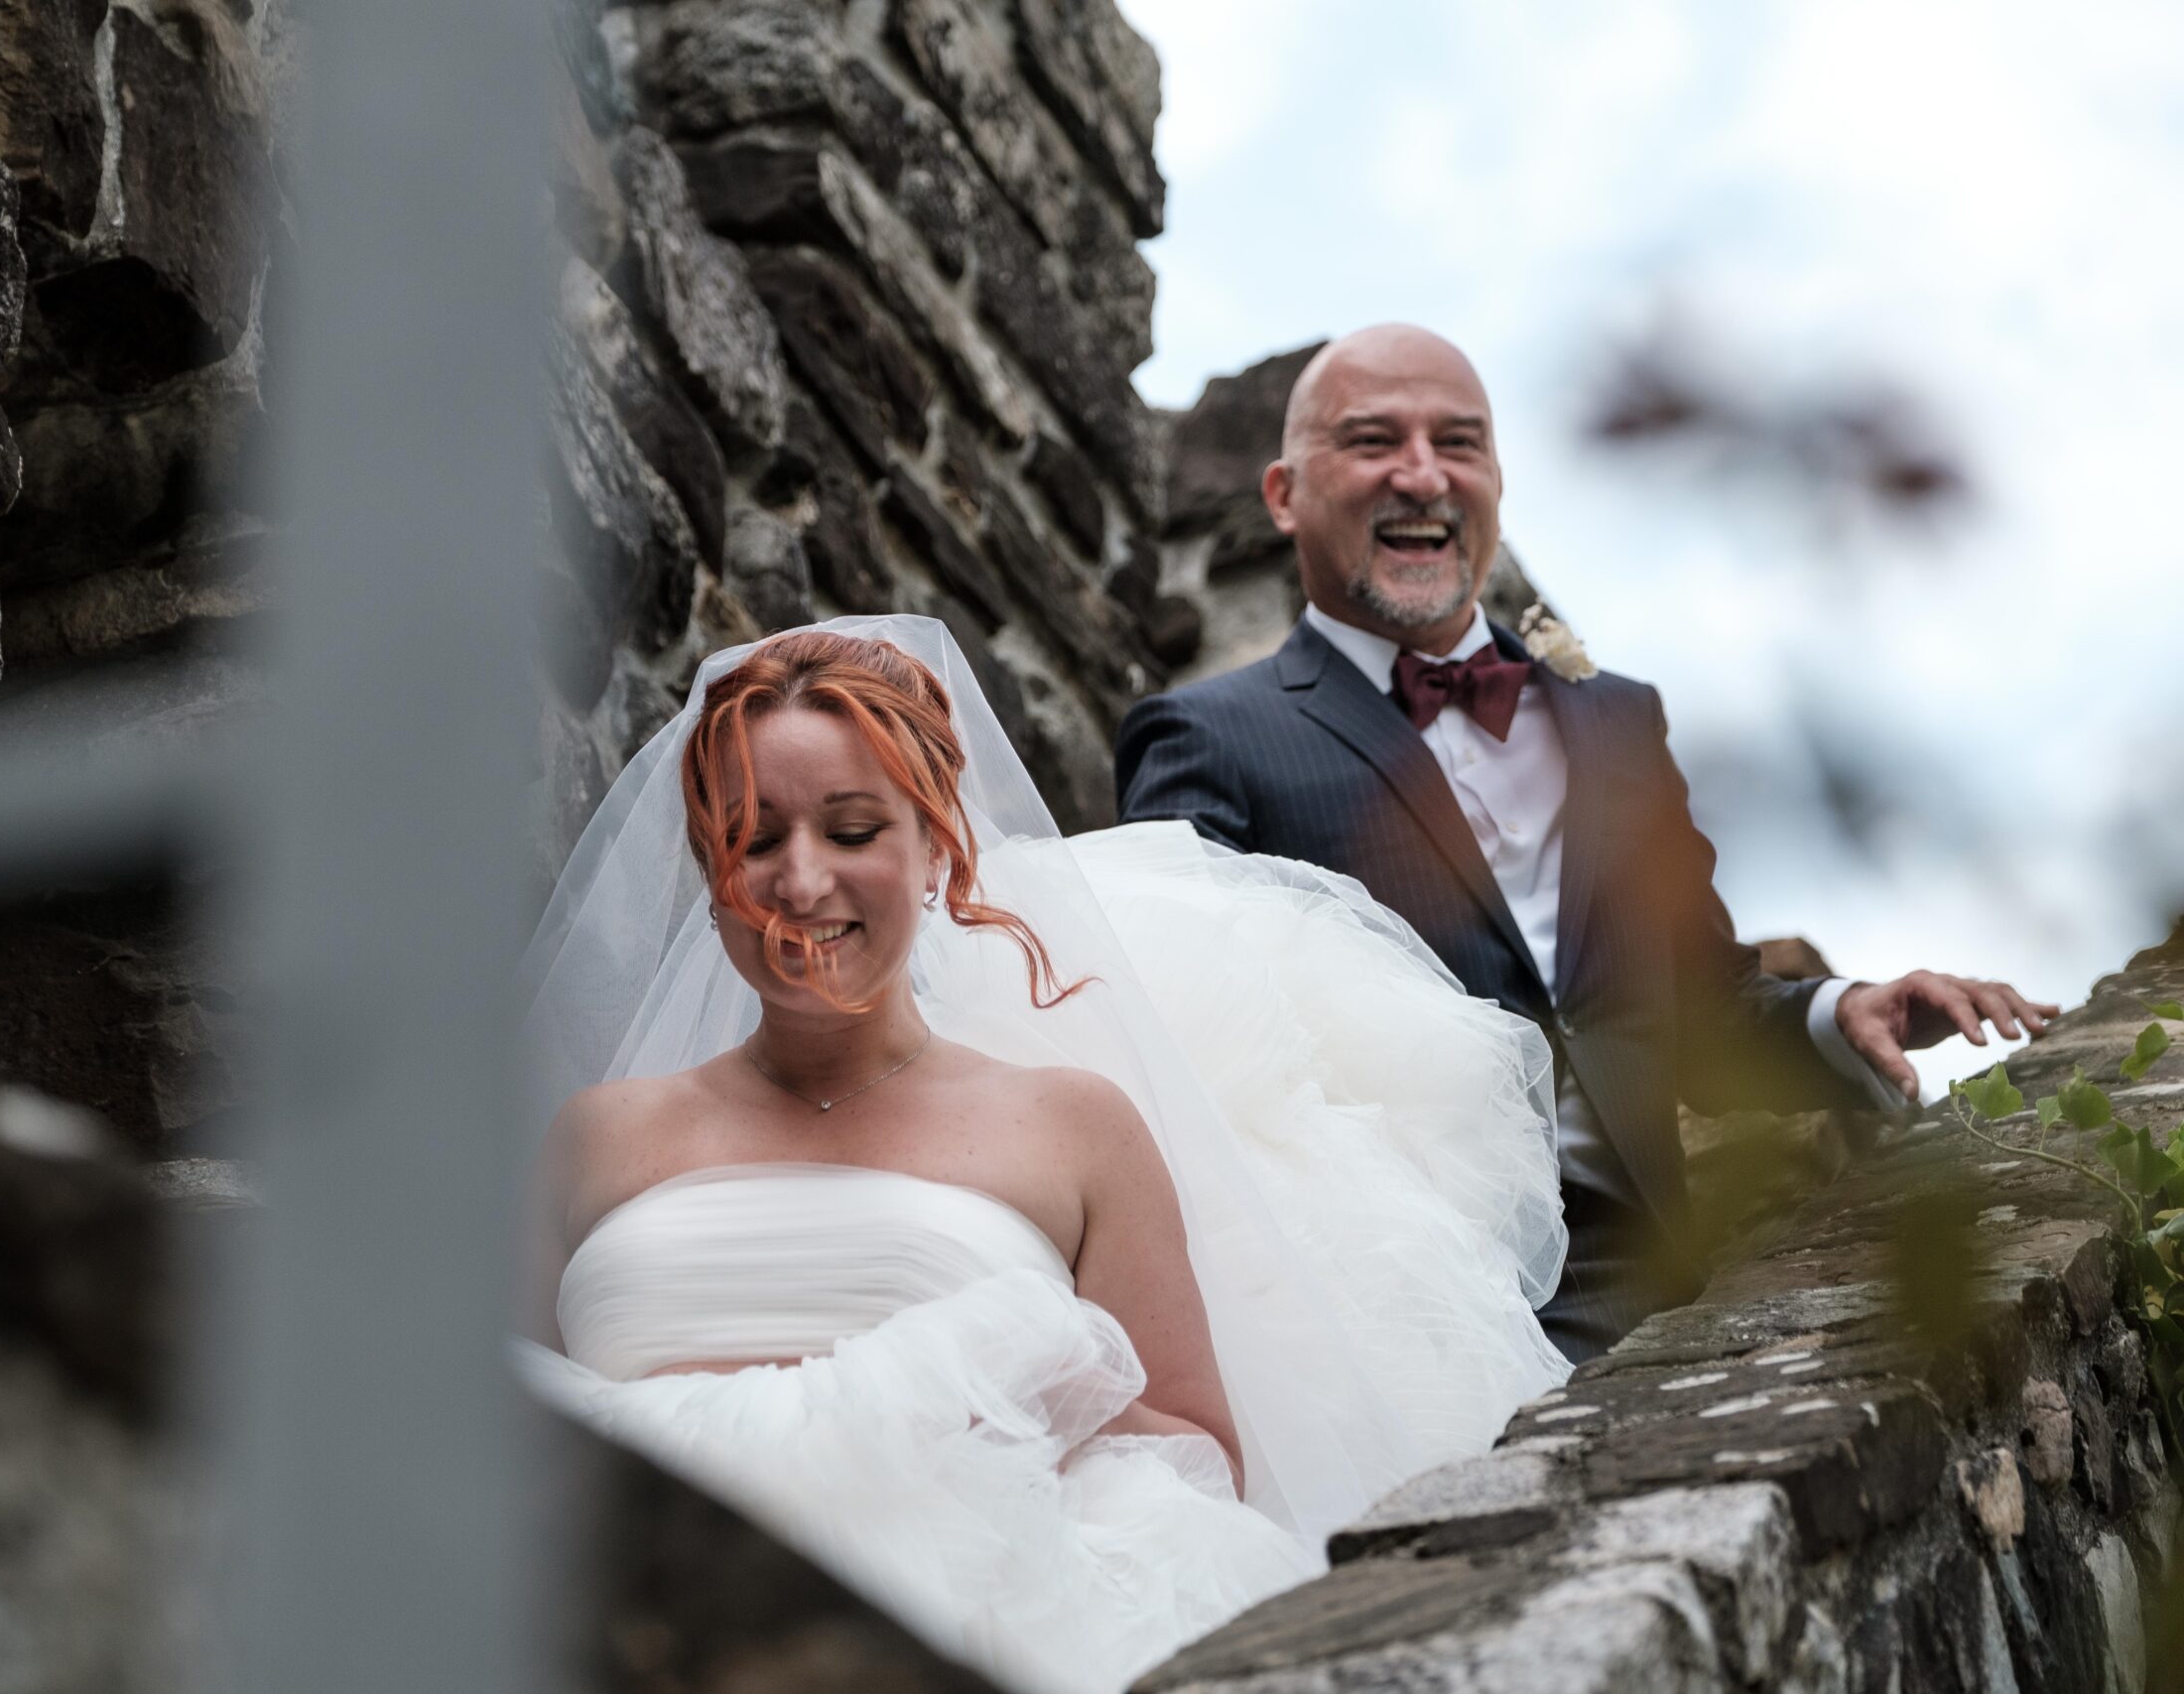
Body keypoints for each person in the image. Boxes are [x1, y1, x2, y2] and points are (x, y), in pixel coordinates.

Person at [515, 619, 1570, 1694]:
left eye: (851, 829)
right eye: (752, 837)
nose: (799, 881)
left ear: (934, 849)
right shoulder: (596, 1138)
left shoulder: (1073, 1126)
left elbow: (1201, 1459)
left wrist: (1031, 1388)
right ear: (709, 867)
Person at [1115, 324, 2059, 1362]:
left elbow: (1703, 1013)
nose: (1423, 474)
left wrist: (1844, 1013)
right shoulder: (1203, 735)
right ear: (1284, 494)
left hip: (1639, 1280)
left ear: (1496, 484)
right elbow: (1181, 1054)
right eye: (1374, 439)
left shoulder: (1617, 722)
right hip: (1386, 1296)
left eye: (1459, 443)